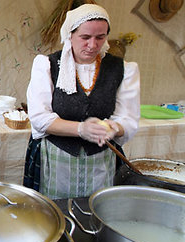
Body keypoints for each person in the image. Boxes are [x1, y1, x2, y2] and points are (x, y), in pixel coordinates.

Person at [23, 4, 140, 199]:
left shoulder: (124, 69)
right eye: (85, 37)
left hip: (101, 161)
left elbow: (128, 119)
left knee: (97, 212)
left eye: (100, 37)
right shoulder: (47, 65)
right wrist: (80, 129)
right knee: (56, 214)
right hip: (57, 158)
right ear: (70, 35)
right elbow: (39, 118)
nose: (93, 45)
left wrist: (114, 128)